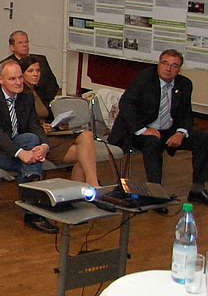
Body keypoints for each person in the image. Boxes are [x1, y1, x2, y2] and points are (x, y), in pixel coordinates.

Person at [0, 60, 56, 234]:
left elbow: (34, 125)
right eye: (12, 79)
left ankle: (33, 207)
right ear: (0, 79)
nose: (18, 82)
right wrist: (21, 153)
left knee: (31, 139)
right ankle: (34, 211)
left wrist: (44, 146)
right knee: (29, 162)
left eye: (20, 77)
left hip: (14, 143)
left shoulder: (26, 96)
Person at [108, 49, 208, 204]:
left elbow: (186, 113)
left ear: (179, 69)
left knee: (203, 138)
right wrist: (143, 130)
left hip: (167, 129)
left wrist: (181, 132)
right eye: (165, 63)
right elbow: (126, 104)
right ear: (158, 64)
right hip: (137, 130)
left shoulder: (184, 84)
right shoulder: (144, 79)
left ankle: (197, 189)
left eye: (174, 66)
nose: (168, 69)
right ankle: (155, 193)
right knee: (153, 142)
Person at [19, 56, 100, 185]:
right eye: (30, 71)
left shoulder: (39, 91)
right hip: (39, 138)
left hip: (51, 132)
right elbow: (22, 122)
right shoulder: (21, 93)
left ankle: (88, 185)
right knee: (86, 157)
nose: (35, 74)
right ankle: (91, 186)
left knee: (87, 137)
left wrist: (58, 124)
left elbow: (49, 116)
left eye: (38, 70)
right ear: (22, 74)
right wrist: (40, 127)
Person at [1, 30, 59, 104]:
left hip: (44, 103)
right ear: (12, 47)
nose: (25, 45)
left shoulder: (41, 60)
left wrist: (43, 102)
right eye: (20, 43)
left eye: (26, 42)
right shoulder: (7, 64)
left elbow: (53, 85)